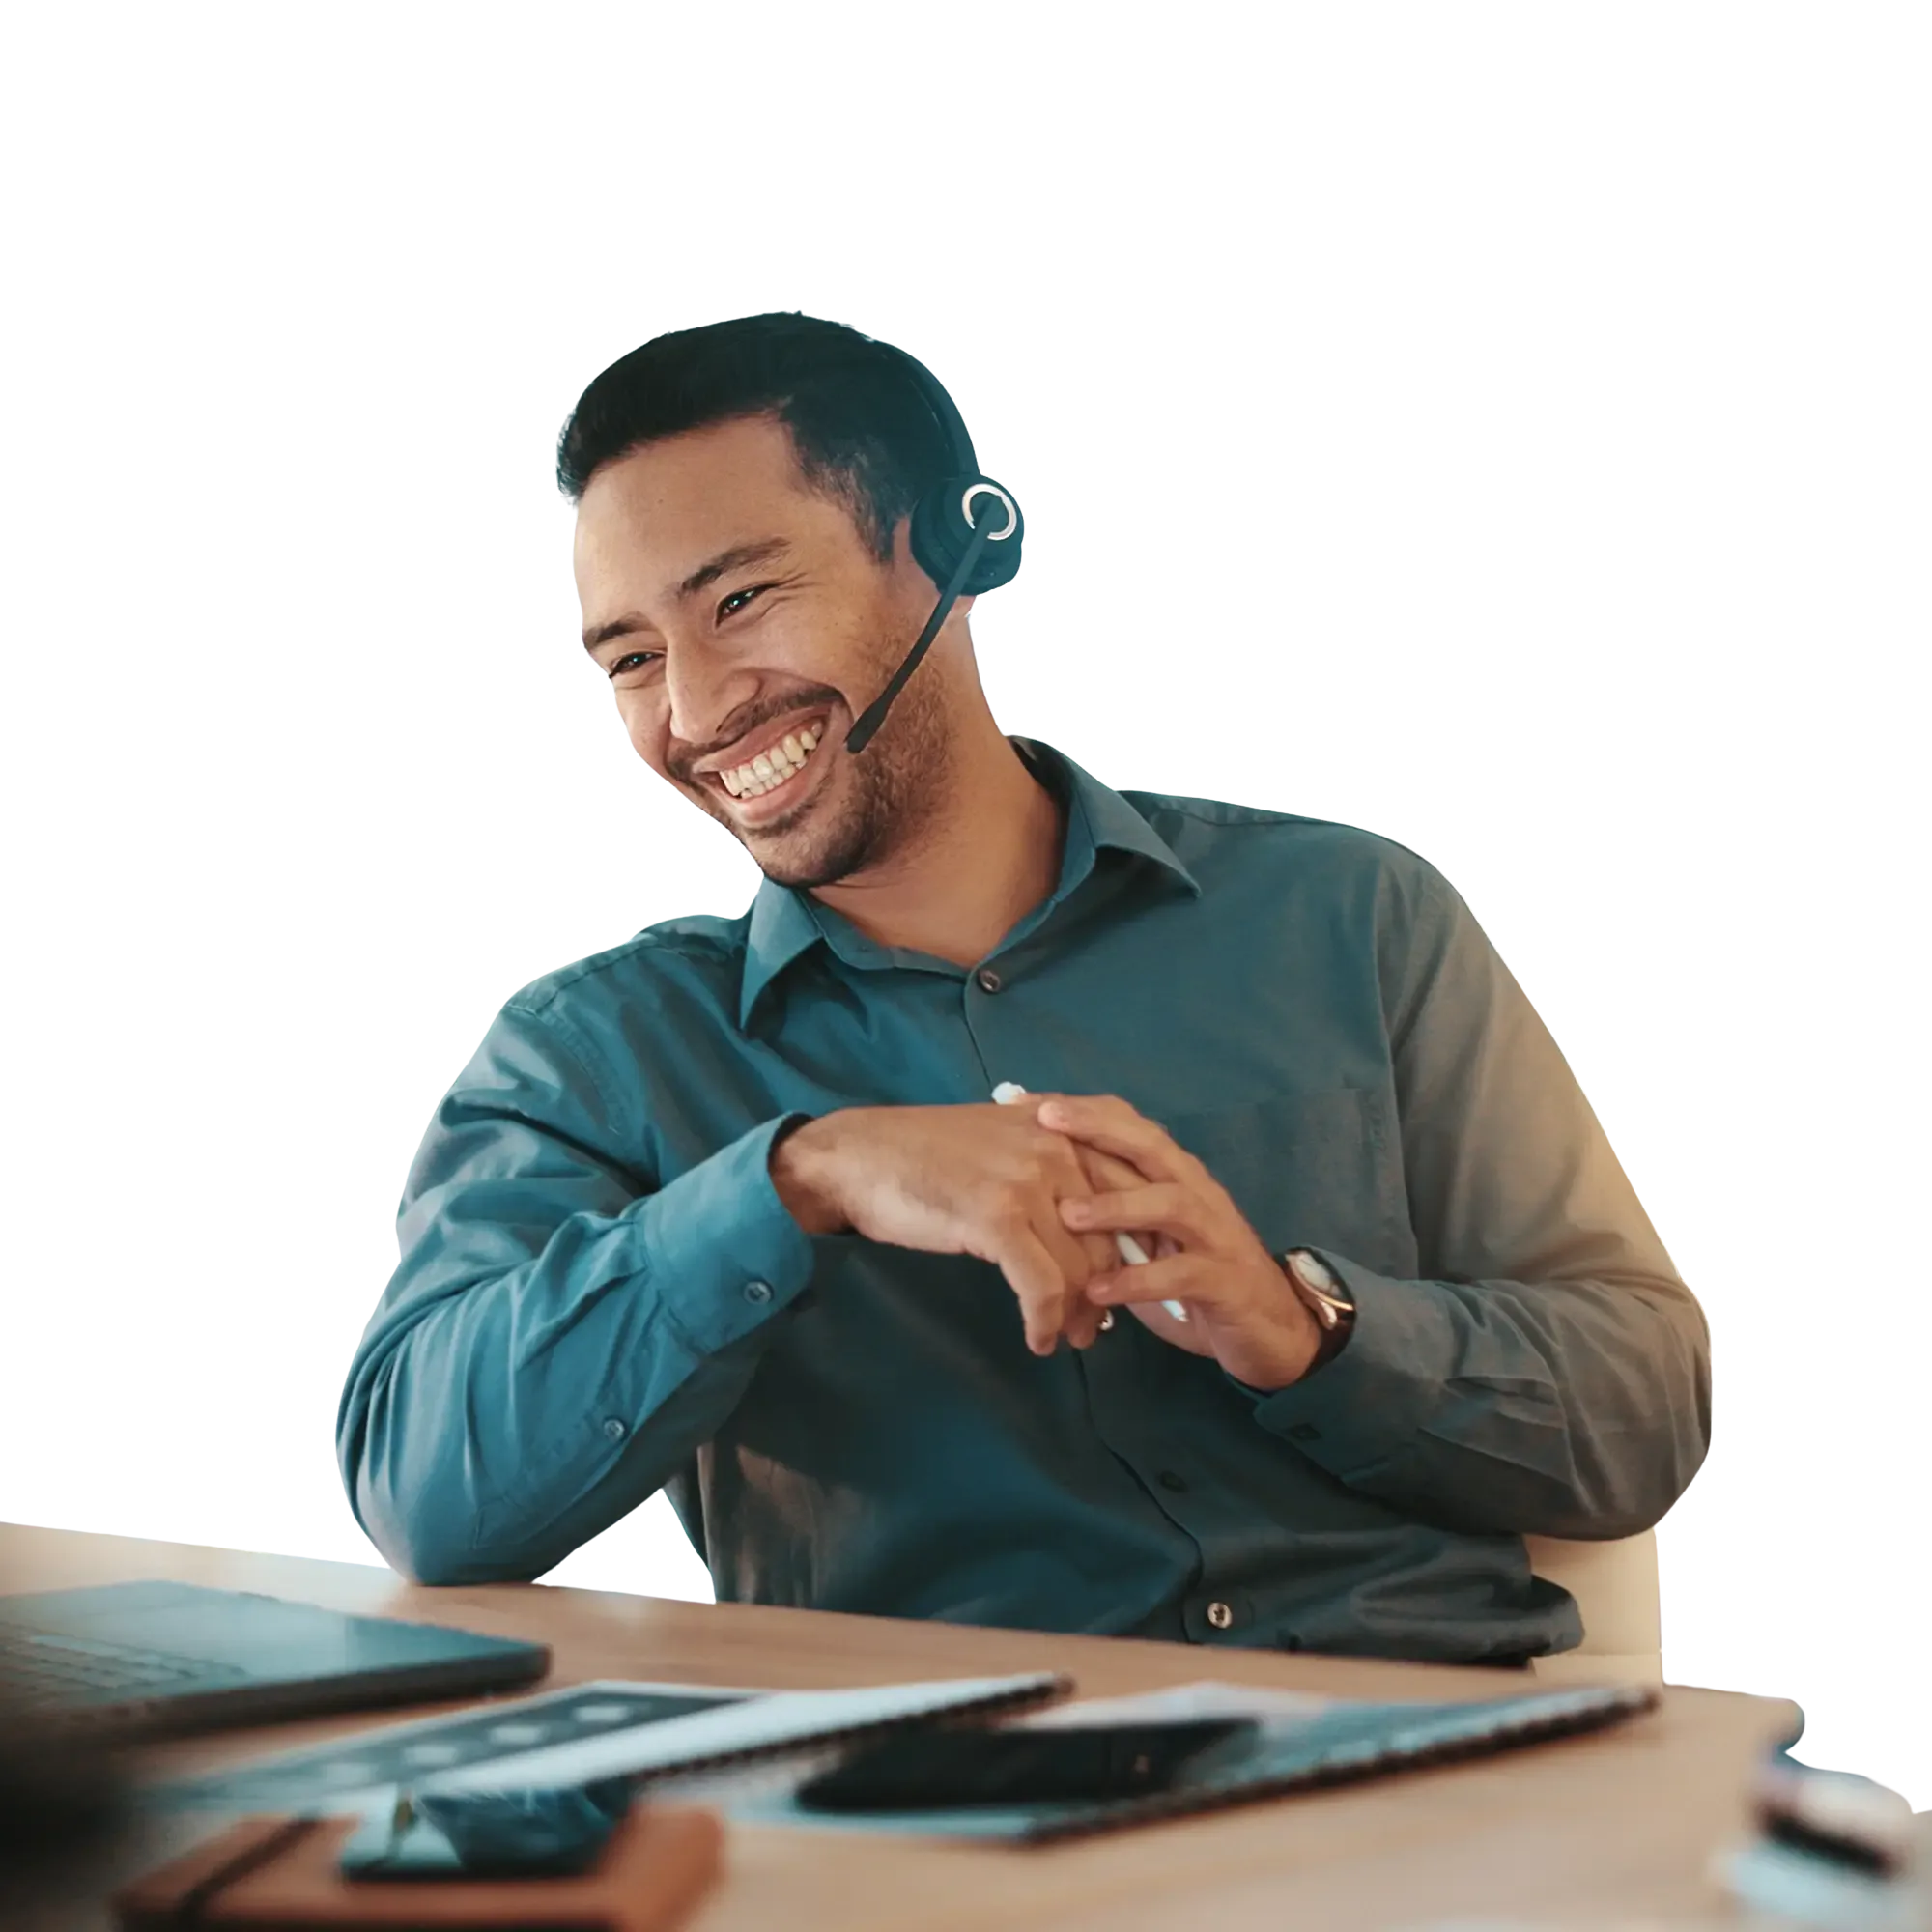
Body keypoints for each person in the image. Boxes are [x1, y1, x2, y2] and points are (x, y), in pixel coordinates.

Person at [332, 310, 1713, 1669]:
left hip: (1425, 1772)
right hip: (954, 1820)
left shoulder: (1357, 916)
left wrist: (1308, 1329)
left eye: (740, 600)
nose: (692, 712)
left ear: (951, 546)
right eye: (632, 658)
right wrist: (801, 1179)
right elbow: (423, 1486)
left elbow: (1650, 1410)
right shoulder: (598, 1052)